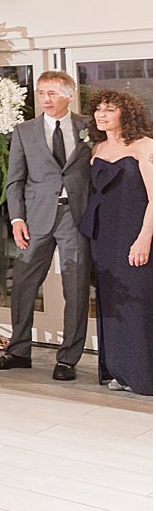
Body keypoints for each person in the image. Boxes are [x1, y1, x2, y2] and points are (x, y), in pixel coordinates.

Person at [0, 70, 93, 380]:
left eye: (52, 93)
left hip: (76, 218)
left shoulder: (89, 128)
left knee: (75, 288)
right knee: (22, 283)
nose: (45, 99)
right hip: (36, 219)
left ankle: (67, 360)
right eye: (41, 92)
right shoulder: (25, 131)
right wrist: (17, 218)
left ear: (69, 95)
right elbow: (15, 180)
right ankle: (18, 351)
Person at [80, 90, 152, 395]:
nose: (101, 114)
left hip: (134, 234)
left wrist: (144, 239)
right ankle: (120, 371)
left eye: (109, 110)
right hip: (103, 236)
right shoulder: (97, 147)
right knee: (111, 303)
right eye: (98, 110)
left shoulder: (144, 146)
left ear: (127, 113)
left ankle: (144, 374)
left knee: (139, 303)